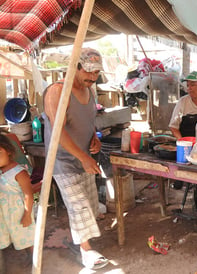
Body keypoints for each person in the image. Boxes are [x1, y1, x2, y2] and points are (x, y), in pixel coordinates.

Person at [42, 48, 109, 270]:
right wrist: (83, 157)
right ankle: (86, 252)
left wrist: (94, 140)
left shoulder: (92, 91)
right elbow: (58, 131)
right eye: (88, 72)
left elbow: (89, 121)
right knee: (78, 205)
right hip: (62, 161)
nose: (91, 77)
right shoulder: (57, 92)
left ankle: (79, 240)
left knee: (89, 204)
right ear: (75, 67)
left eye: (96, 73)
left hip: (84, 157)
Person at [0, 135, 34, 264]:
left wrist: (27, 214)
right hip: (6, 212)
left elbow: (28, 195)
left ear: (8, 151)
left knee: (27, 236)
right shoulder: (1, 170)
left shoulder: (19, 172)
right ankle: (28, 256)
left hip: (19, 211)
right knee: (19, 236)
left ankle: (34, 257)